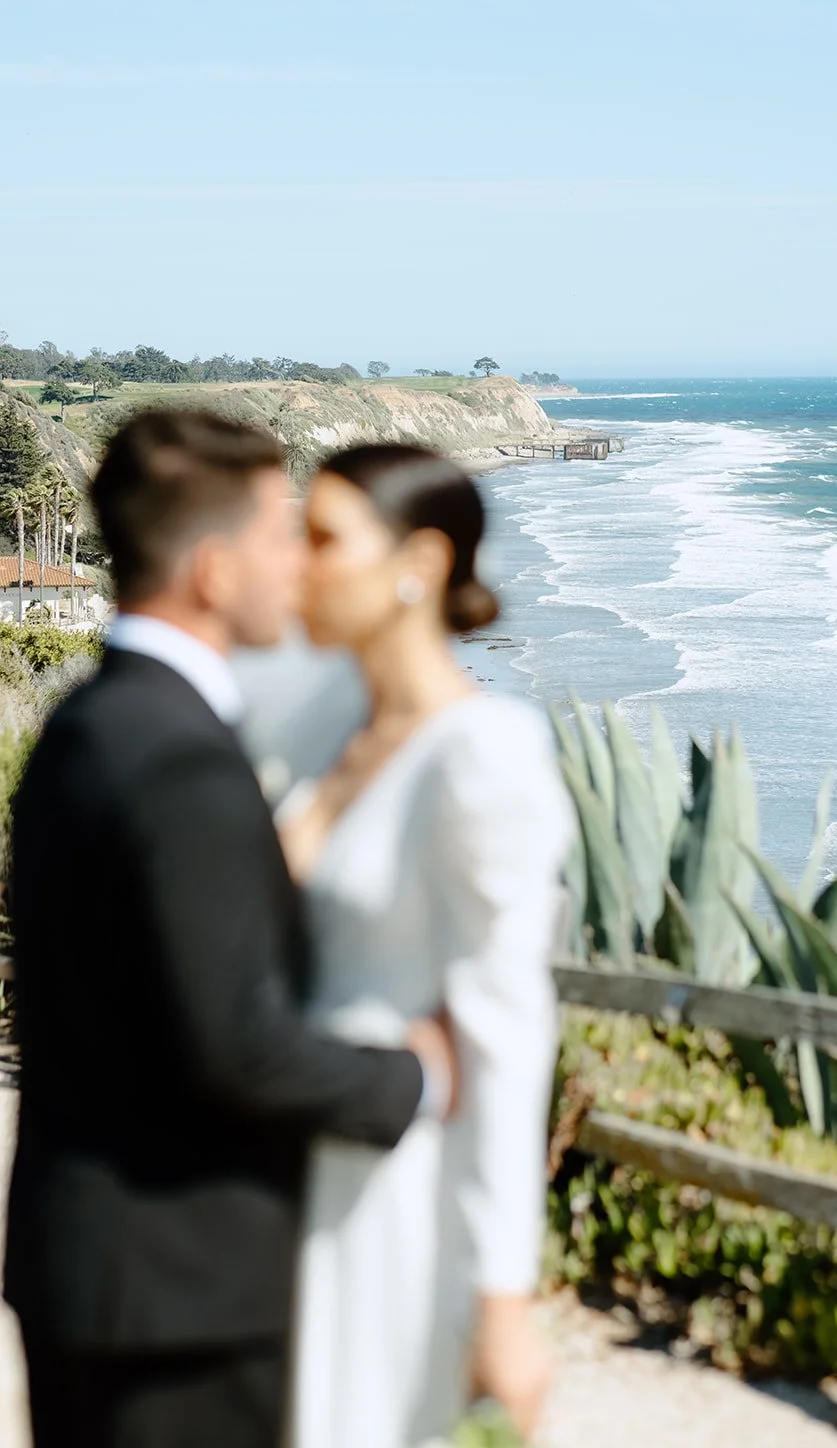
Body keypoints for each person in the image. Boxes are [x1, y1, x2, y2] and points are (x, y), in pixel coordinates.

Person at [3, 410, 455, 1448]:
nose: (294, 563)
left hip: (96, 1264)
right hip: (180, 1293)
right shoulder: (181, 760)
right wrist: (419, 1076)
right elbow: (234, 1044)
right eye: (275, 535)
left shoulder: (87, 724)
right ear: (212, 570)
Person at [281, 444, 573, 1447]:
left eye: (321, 539)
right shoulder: (321, 728)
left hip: (395, 1191)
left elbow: (506, 1031)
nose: (295, 563)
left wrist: (502, 1299)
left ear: (421, 561)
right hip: (280, 1174)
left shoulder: (483, 754)